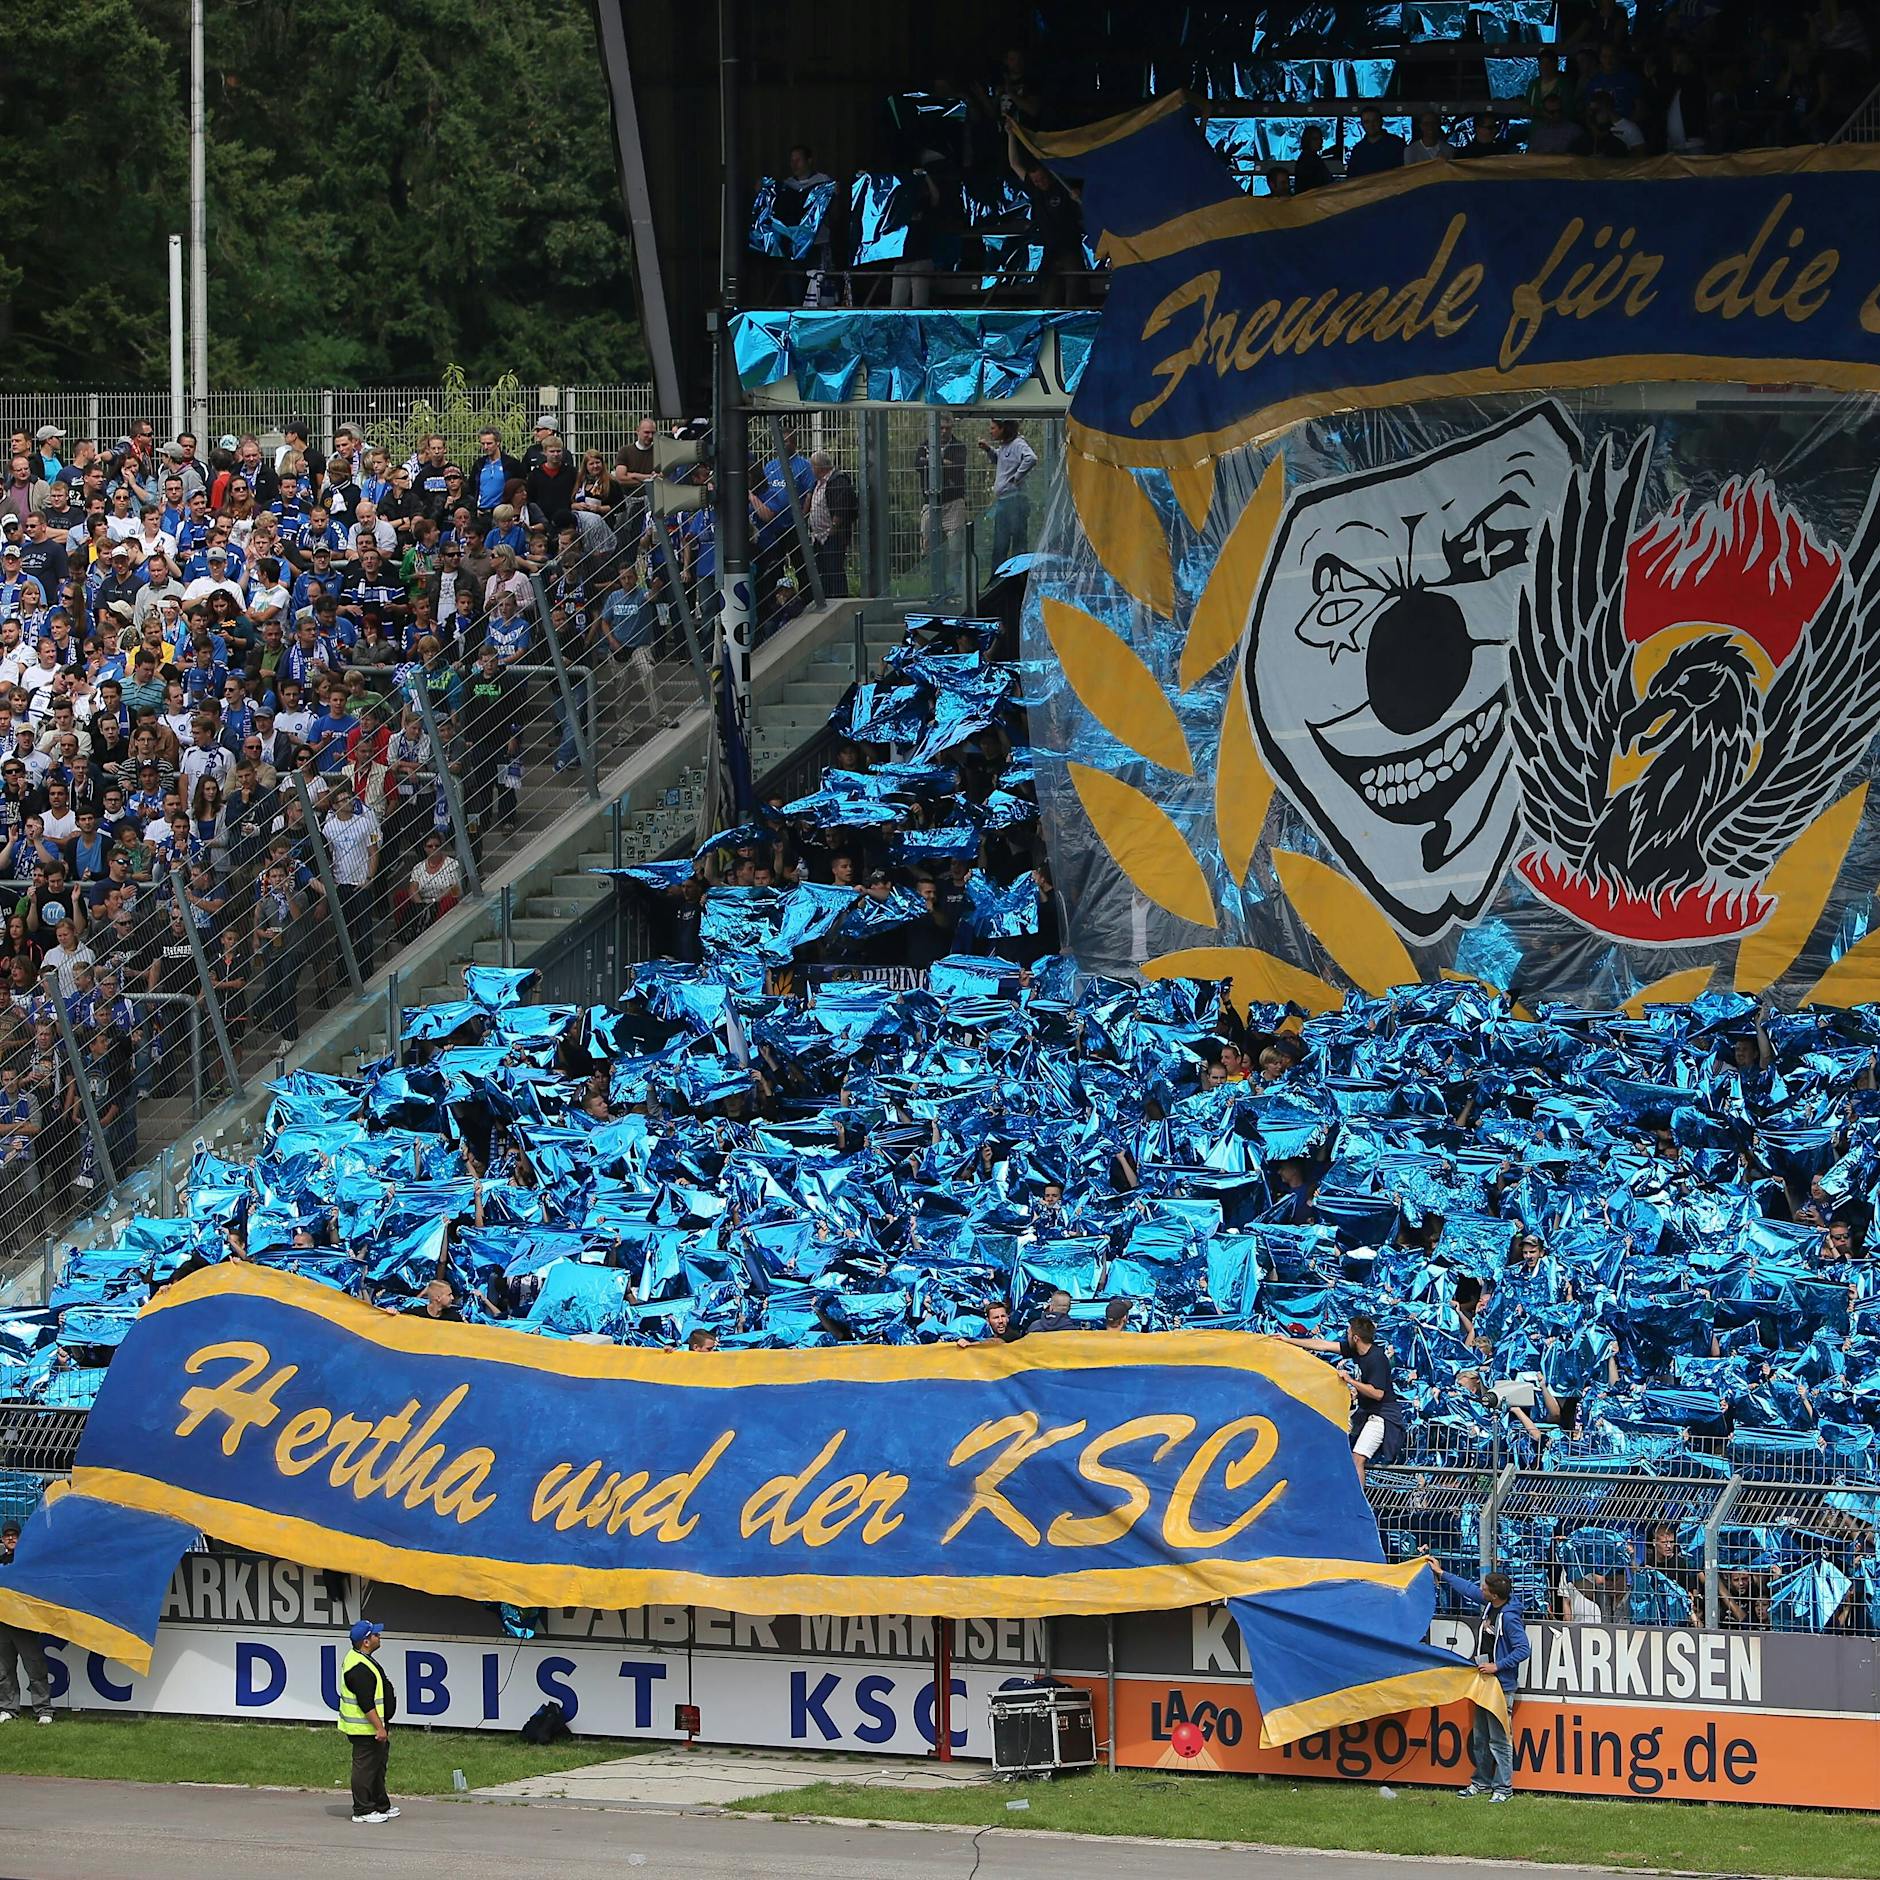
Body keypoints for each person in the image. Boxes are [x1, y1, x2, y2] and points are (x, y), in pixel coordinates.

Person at [1430, 1560, 1528, 1803]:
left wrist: (1498, 1665)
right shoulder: (1492, 1605)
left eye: (1484, 1588)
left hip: (1500, 1685)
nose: (1480, 1590)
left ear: (1494, 1595)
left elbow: (1523, 1649)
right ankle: (1481, 1783)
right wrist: (1442, 1573)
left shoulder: (1509, 1618)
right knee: (1481, 1737)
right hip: (1484, 1681)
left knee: (1500, 1739)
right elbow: (1469, 1590)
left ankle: (1504, 1788)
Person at [1290, 1314, 1405, 1482]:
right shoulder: (1355, 1351)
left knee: (1357, 1459)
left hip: (1382, 1416)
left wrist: (1351, 1381)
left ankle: (1358, 1505)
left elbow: (1377, 1393)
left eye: (1348, 1333)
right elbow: (1323, 1345)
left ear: (1356, 1337)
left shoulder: (1377, 1358)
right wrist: (1288, 1340)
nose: (1346, 1336)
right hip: (1364, 1414)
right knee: (1333, 1442)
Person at [337, 1618, 400, 1824]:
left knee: (377, 1767)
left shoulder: (363, 1659)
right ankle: (362, 1810)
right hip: (364, 1729)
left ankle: (380, 1805)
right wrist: (379, 1728)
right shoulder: (358, 1668)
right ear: (366, 1641)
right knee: (364, 1769)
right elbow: (366, 1703)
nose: (379, 1637)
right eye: (376, 1634)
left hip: (371, 1728)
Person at [0, 1515, 52, 1724]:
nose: (11, 1539)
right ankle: (8, 1708)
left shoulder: (30, 1561)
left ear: (21, 1538)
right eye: (7, 1536)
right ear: (2, 1540)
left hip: (24, 1624)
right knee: (3, 1670)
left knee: (35, 1667)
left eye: (14, 1535)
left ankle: (44, 1710)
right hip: (2, 1625)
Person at [979, 421, 1037, 571]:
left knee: (1013, 542)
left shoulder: (1018, 444)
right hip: (1004, 501)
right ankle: (999, 578)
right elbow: (1001, 459)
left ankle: (1016, 578)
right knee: (1001, 544)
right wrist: (989, 450)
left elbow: (1031, 458)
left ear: (1003, 428)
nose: (990, 431)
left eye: (993, 428)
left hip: (1014, 500)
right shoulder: (1005, 446)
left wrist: (1017, 476)